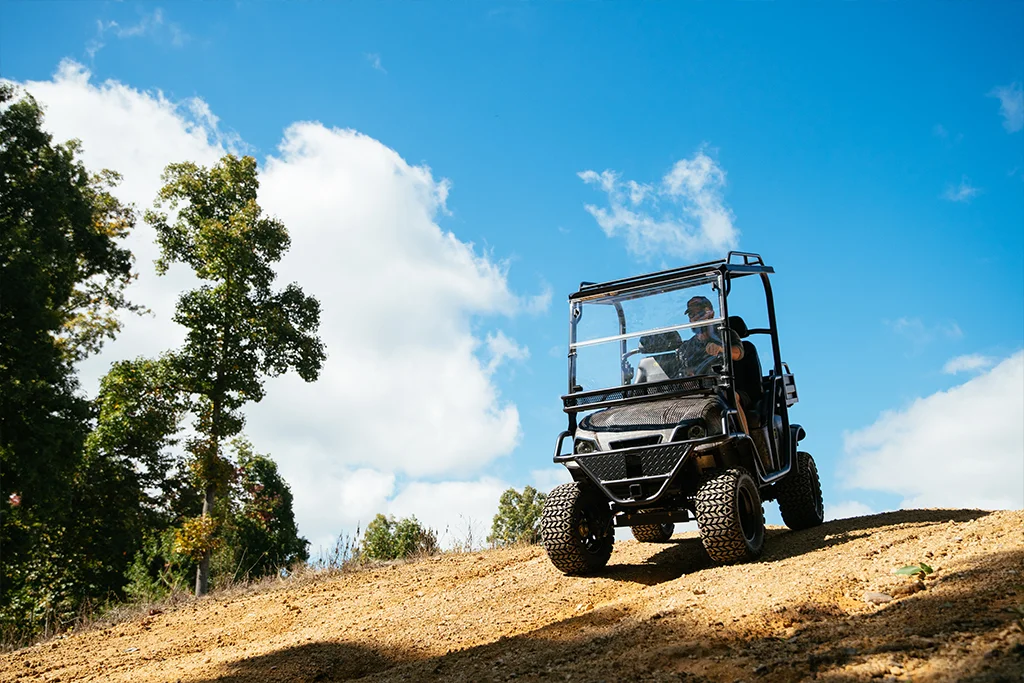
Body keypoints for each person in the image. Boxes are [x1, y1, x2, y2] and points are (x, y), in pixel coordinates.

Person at [675, 296, 744, 376]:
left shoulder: (725, 334)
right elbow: (680, 373)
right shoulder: (685, 348)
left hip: (724, 384)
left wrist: (721, 349)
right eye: (691, 314)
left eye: (700, 313)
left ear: (711, 314)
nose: (696, 317)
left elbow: (738, 353)